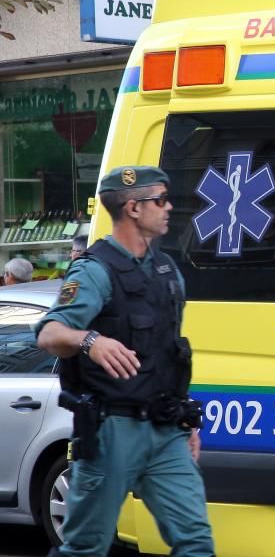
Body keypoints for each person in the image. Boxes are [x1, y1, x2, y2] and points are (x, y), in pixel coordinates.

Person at [36, 166, 215, 557]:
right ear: (133, 208)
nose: (169, 208)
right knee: (85, 547)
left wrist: (186, 421)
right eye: (161, 200)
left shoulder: (167, 272)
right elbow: (49, 333)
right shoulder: (96, 270)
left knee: (196, 542)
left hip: (166, 429)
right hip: (111, 431)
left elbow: (170, 354)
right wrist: (89, 340)